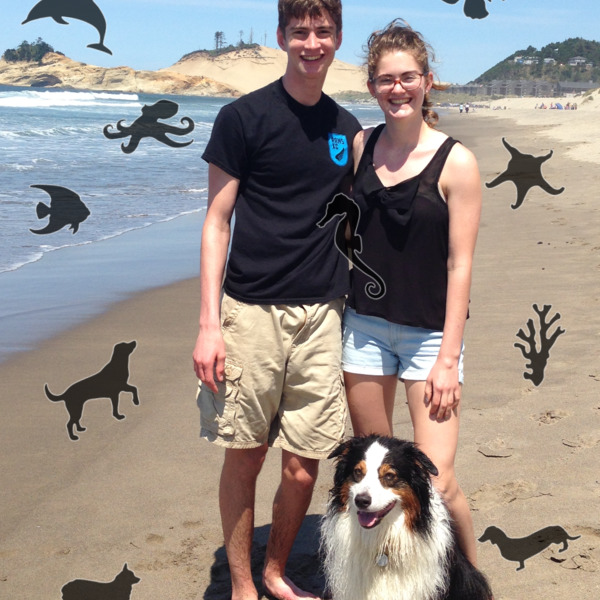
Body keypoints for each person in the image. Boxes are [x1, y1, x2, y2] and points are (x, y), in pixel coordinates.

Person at [192, 1, 361, 599]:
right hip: (251, 311)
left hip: (323, 314)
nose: (312, 43)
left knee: (305, 462)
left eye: (323, 31)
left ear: (337, 37)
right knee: (246, 453)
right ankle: (243, 584)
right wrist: (209, 324)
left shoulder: (346, 128)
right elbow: (217, 222)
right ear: (282, 36)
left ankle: (275, 570)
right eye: (300, 31)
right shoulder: (242, 117)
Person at [341, 19, 482, 566]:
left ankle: (469, 584)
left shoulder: (457, 162)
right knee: (376, 482)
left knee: (438, 481)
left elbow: (460, 264)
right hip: (365, 330)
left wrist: (449, 358)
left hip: (429, 338)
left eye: (407, 78)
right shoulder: (362, 145)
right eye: (385, 79)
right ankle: (389, 575)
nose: (396, 88)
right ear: (372, 86)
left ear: (427, 81)